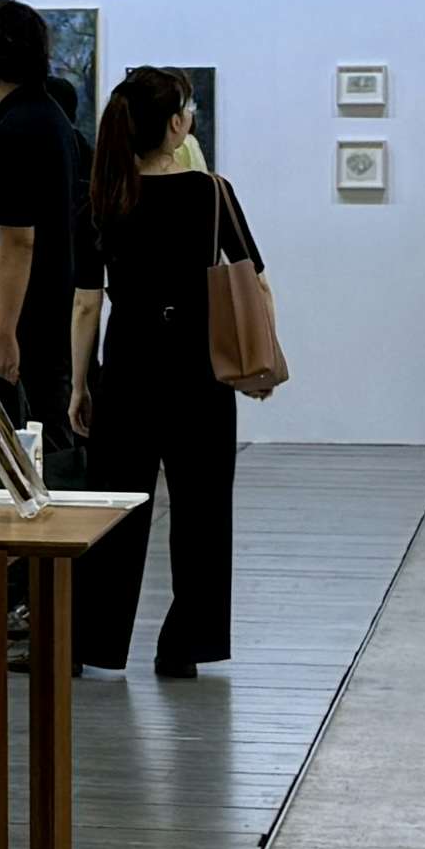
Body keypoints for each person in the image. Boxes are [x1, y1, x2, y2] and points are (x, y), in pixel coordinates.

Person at [75, 68, 263, 681]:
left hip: (129, 363)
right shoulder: (211, 192)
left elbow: (86, 303)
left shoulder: (104, 195)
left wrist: (80, 384)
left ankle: (96, 642)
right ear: (177, 125)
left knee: (116, 506)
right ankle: (185, 644)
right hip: (198, 366)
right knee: (203, 508)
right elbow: (253, 278)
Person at [0, 0, 90, 463]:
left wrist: (4, 332)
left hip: (23, 319)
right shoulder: (49, 119)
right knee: (35, 436)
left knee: (27, 443)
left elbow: (18, 241)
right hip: (44, 310)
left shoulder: (17, 129)